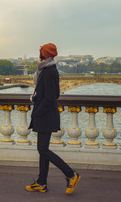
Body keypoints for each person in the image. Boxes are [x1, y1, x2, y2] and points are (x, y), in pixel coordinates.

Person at [26, 43, 81, 194]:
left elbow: (51, 97)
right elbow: (48, 94)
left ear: (43, 54)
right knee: (43, 150)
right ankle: (41, 182)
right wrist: (36, 98)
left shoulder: (48, 71)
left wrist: (38, 111)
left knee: (42, 149)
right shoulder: (47, 69)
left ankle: (71, 174)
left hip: (45, 116)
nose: (39, 53)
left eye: (40, 51)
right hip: (46, 114)